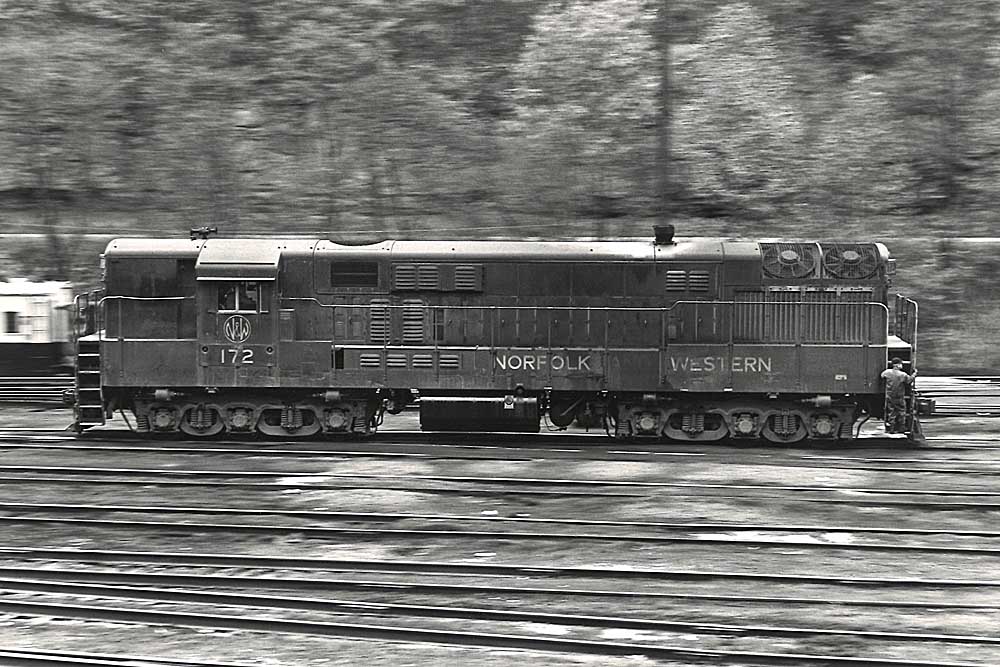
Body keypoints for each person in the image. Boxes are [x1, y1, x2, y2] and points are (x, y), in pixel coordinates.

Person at [881, 357, 917, 433]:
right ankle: (901, 428)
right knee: (901, 411)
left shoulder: (887, 372)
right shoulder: (902, 374)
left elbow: (882, 376)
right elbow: (909, 381)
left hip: (889, 396)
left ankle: (891, 428)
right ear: (897, 365)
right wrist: (914, 374)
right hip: (899, 396)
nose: (902, 365)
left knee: (891, 411)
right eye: (901, 364)